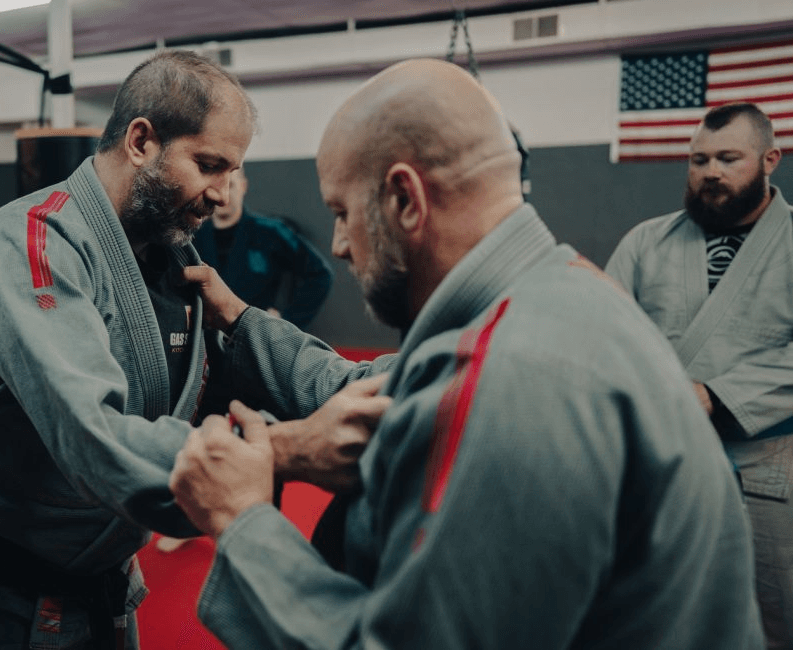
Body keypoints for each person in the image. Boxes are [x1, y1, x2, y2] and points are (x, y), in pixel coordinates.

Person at [168, 58, 764, 649]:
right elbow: (372, 383)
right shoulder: (552, 296)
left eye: (343, 213)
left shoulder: (516, 379)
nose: (340, 245)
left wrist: (243, 522)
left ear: (406, 199)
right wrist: (242, 319)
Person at [0, 51, 388, 650]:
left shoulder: (172, 253)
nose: (221, 195)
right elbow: (92, 435)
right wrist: (287, 451)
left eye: (231, 172)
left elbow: (231, 366)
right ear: (141, 141)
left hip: (101, 577)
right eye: (209, 165)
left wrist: (242, 321)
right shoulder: (31, 246)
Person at [605, 102, 792, 649]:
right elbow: (604, 334)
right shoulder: (645, 242)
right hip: (660, 460)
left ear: (770, 160)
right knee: (659, 614)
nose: (710, 171)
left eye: (728, 158)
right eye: (698, 159)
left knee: (774, 618)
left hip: (768, 467)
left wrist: (716, 395)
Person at [191, 167, 333, 327]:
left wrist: (286, 321)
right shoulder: (192, 237)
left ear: (243, 186)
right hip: (205, 340)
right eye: (215, 188)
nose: (223, 195)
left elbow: (320, 274)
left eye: (230, 186)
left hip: (254, 337)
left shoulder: (271, 232)